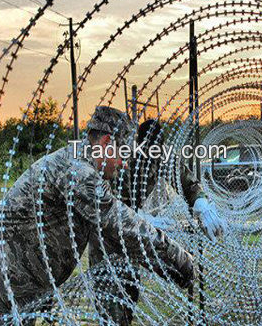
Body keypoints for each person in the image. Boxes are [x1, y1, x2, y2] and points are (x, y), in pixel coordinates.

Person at [0, 106, 194, 326]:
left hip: (16, 282)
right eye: (123, 154)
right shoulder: (79, 172)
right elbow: (121, 225)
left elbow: (116, 233)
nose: (124, 164)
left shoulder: (85, 166)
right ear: (106, 143)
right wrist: (182, 262)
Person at [88, 118, 227, 325]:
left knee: (129, 293)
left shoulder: (162, 157)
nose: (153, 154)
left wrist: (200, 203)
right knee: (111, 303)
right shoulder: (121, 158)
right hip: (107, 239)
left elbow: (187, 182)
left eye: (157, 148)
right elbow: (107, 203)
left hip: (132, 240)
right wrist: (142, 218)